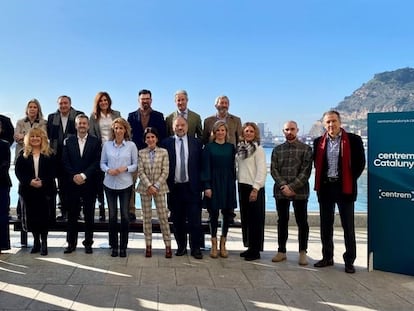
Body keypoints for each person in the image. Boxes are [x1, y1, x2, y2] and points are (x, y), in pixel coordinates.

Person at [313, 110, 365, 274]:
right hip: (326, 188)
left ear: (340, 122)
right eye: (328, 122)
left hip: (345, 188)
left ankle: (349, 260)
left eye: (334, 121)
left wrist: (348, 180)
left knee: (348, 226)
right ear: (324, 124)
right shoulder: (318, 142)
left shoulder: (353, 140)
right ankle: (327, 257)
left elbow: (360, 163)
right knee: (325, 226)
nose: (331, 124)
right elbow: (317, 164)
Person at [270, 121, 313, 265]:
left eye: (292, 129)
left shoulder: (306, 149)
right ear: (283, 131)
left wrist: (292, 187)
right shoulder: (277, 150)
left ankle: (302, 252)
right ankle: (281, 251)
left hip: (300, 192)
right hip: (281, 192)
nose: (290, 132)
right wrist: (283, 186)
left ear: (297, 130)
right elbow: (273, 170)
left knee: (302, 222)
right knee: (282, 221)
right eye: (287, 129)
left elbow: (306, 171)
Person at [162, 116, 203, 259]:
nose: (180, 128)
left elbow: (201, 165)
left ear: (187, 127)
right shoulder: (166, 143)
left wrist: (202, 185)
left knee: (195, 220)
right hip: (174, 188)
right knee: (177, 220)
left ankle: (196, 248)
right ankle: (181, 246)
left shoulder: (196, 143)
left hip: (192, 187)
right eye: (177, 125)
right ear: (173, 127)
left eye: (182, 125)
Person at [62, 114, 101, 254]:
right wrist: (74, 176)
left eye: (84, 123)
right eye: (80, 123)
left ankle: (88, 243)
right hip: (72, 184)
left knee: (89, 215)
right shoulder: (68, 141)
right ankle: (71, 243)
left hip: (89, 183)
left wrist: (84, 175)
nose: (82, 125)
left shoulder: (95, 141)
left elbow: (97, 161)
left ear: (88, 126)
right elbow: (65, 161)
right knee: (72, 215)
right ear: (76, 125)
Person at [15, 128, 56, 256]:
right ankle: (36, 242)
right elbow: (18, 172)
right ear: (28, 138)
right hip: (28, 191)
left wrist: (42, 181)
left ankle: (44, 242)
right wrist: (30, 181)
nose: (35, 139)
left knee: (44, 217)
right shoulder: (23, 154)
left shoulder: (49, 154)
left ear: (42, 138)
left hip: (45, 191)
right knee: (32, 218)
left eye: (38, 136)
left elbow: (53, 172)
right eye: (32, 136)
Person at [100, 117, 138, 257]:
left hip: (125, 184)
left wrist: (125, 168)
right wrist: (108, 170)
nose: (118, 131)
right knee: (112, 216)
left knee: (125, 215)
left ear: (125, 130)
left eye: (121, 128)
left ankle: (123, 246)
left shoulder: (131, 146)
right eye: (116, 128)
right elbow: (102, 163)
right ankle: (114, 246)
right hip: (109, 184)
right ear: (113, 130)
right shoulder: (107, 145)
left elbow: (135, 165)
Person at [127, 89, 167, 221]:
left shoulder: (159, 116)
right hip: (135, 155)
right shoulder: (131, 116)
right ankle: (131, 211)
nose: (145, 101)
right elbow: (129, 136)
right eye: (143, 99)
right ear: (139, 100)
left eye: (147, 99)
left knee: (156, 184)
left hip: (153, 155)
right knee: (131, 183)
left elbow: (162, 135)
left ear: (151, 100)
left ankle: (161, 212)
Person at [201, 120, 236, 258]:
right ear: (213, 132)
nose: (220, 133)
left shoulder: (231, 147)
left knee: (227, 214)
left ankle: (223, 243)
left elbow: (235, 166)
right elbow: (205, 167)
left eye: (223, 130)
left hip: (228, 182)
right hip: (213, 182)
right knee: (213, 214)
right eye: (218, 130)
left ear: (226, 132)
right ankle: (214, 243)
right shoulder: (208, 147)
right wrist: (207, 186)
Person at [137, 127, 172, 258]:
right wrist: (149, 186)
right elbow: (140, 171)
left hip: (160, 188)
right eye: (148, 137)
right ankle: (148, 246)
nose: (150, 139)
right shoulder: (141, 153)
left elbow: (165, 171)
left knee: (163, 217)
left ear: (156, 138)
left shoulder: (163, 152)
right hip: (145, 188)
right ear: (145, 140)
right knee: (146, 218)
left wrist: (156, 186)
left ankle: (168, 246)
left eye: (152, 137)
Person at [47, 95, 84, 220]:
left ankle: (77, 211)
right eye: (61, 103)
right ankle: (63, 211)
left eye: (65, 103)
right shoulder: (52, 117)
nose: (63, 105)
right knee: (61, 185)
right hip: (57, 155)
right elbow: (50, 136)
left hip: (73, 155)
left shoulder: (78, 115)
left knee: (74, 184)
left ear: (70, 103)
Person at [236, 122, 267, 261]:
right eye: (246, 131)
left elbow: (262, 170)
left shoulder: (258, 149)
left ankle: (255, 250)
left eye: (251, 131)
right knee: (246, 219)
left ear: (255, 134)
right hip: (242, 186)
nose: (248, 133)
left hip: (254, 188)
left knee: (255, 220)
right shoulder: (240, 148)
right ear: (243, 133)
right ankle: (249, 246)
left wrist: (256, 188)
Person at [89, 91, 121, 221]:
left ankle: (114, 210)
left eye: (105, 100)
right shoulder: (93, 116)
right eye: (101, 100)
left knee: (115, 178)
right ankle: (102, 209)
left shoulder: (116, 114)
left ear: (109, 101)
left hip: (115, 149)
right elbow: (91, 133)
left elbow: (121, 129)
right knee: (100, 181)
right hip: (100, 150)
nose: (103, 102)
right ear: (98, 102)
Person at [0, 120, 12, 254]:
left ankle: (2, 245)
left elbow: (5, 164)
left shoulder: (4, 145)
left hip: (2, 183)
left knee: (2, 215)